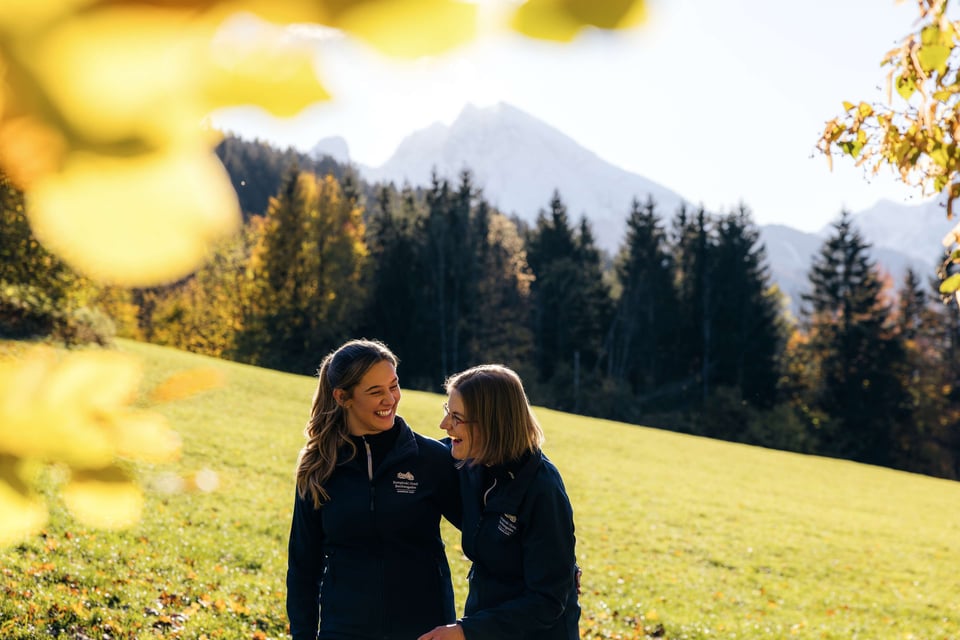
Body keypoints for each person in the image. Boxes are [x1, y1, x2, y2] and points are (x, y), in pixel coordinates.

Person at [286, 339, 462, 640]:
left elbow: (485, 540)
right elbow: (303, 566)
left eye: (394, 386)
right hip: (343, 631)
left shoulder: (431, 459)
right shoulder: (319, 467)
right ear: (343, 397)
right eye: (375, 392)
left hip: (423, 631)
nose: (390, 399)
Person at [418, 364, 580, 640]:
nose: (444, 425)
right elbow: (412, 452)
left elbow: (548, 601)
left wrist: (467, 631)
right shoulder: (469, 461)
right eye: (447, 410)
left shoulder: (543, 490)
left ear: (491, 424)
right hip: (484, 625)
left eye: (456, 417)